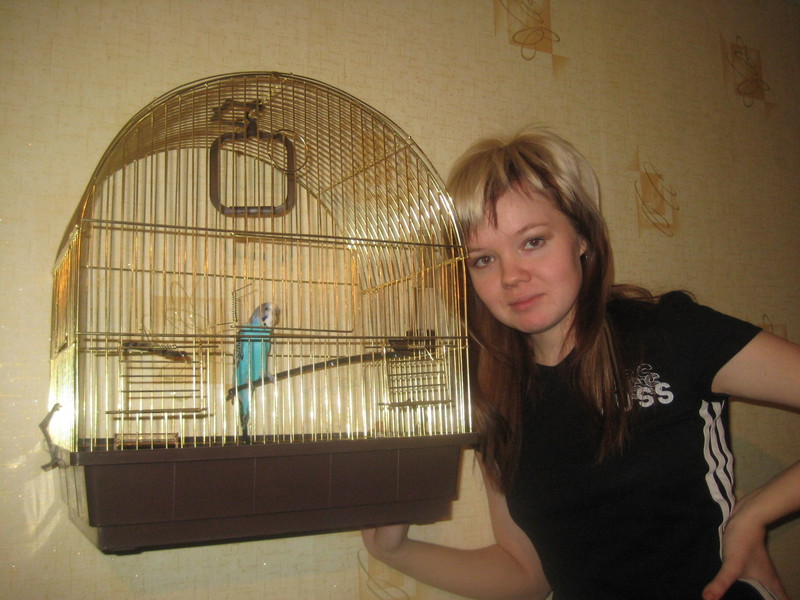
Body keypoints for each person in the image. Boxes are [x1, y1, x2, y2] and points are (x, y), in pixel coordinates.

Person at [362, 128, 800, 600]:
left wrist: (754, 512)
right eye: (483, 259)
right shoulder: (493, 391)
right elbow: (527, 576)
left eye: (533, 241)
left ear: (583, 238)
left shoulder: (670, 332)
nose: (511, 276)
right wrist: (394, 550)